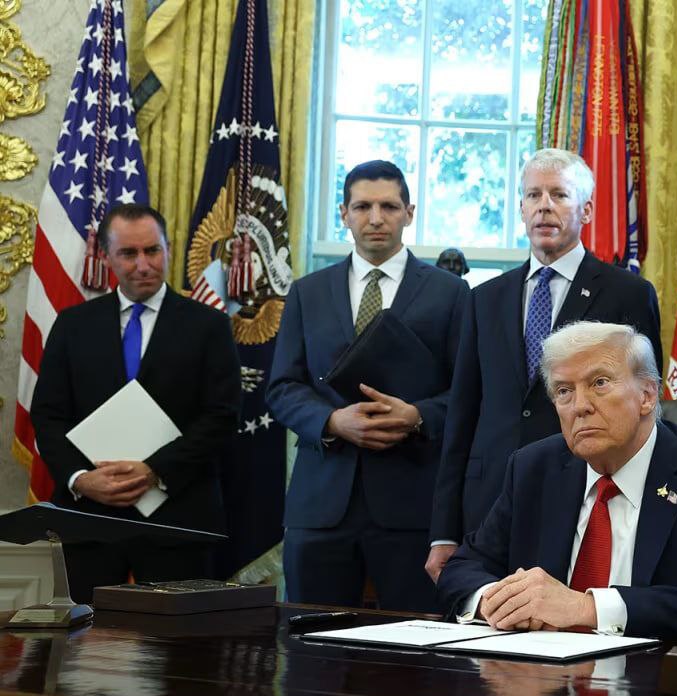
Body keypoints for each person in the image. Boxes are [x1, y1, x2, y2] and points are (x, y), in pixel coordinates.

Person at [433, 321, 677, 640]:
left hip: (655, 671)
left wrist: (587, 608)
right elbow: (463, 568)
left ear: (647, 395)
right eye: (564, 391)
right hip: (539, 672)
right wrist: (497, 602)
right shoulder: (533, 467)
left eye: (599, 383)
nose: (580, 406)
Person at [426, 148, 662, 580]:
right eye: (533, 195)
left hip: (582, 494)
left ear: (586, 209)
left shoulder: (628, 293)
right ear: (521, 208)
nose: (544, 206)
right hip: (487, 501)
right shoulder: (484, 298)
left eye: (559, 194)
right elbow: (462, 415)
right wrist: (443, 531)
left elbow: (645, 411)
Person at [267, 160, 468, 610]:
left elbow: (468, 392)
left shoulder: (451, 293)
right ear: (344, 213)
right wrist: (332, 421)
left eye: (389, 207)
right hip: (320, 505)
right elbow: (282, 386)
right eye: (362, 207)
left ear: (409, 213)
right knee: (309, 641)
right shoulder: (307, 292)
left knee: (413, 644)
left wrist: (417, 416)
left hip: (413, 504)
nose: (375, 218)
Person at [30, 204, 240, 603]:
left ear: (168, 249)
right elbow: (47, 415)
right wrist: (80, 479)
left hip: (178, 517)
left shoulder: (209, 326)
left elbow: (221, 416)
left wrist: (154, 471)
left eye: (152, 251)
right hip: (90, 519)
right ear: (106, 256)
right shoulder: (73, 325)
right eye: (128, 253)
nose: (143, 265)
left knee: (178, 639)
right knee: (86, 636)